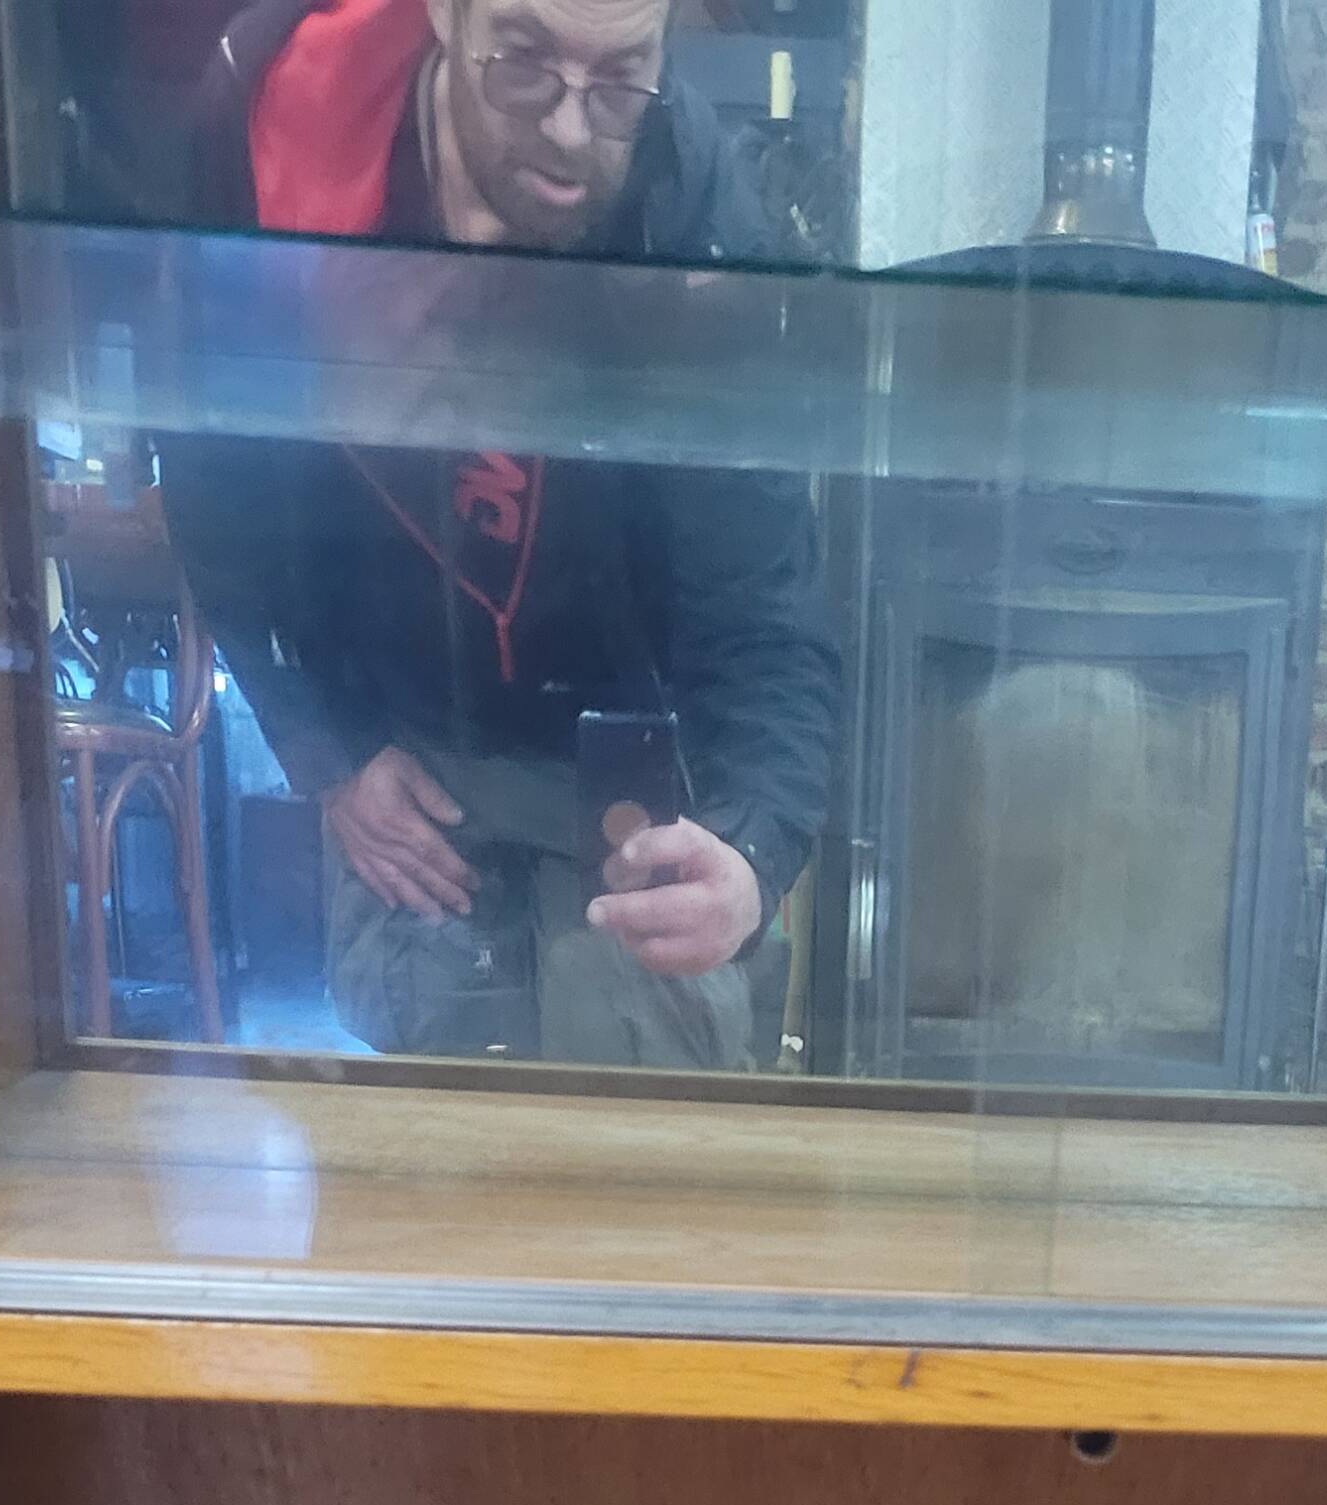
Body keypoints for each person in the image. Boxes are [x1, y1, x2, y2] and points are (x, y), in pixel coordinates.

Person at [154, 0, 841, 1066]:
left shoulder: (693, 214)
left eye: (622, 75)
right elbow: (210, 468)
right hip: (409, 759)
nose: (572, 128)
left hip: (640, 760)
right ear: (443, 12)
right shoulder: (266, 123)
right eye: (523, 61)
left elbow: (763, 593)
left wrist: (755, 848)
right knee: (424, 1173)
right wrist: (322, 743)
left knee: (650, 1146)